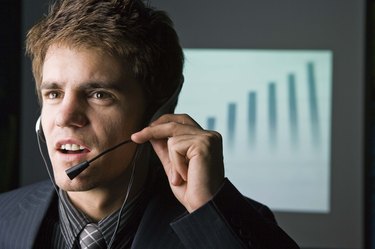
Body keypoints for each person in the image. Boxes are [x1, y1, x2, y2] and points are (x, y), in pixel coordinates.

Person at [0, 0, 300, 248]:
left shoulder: (225, 224)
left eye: (99, 94)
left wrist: (209, 213)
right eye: (54, 93)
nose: (64, 117)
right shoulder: (4, 218)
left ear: (158, 111)